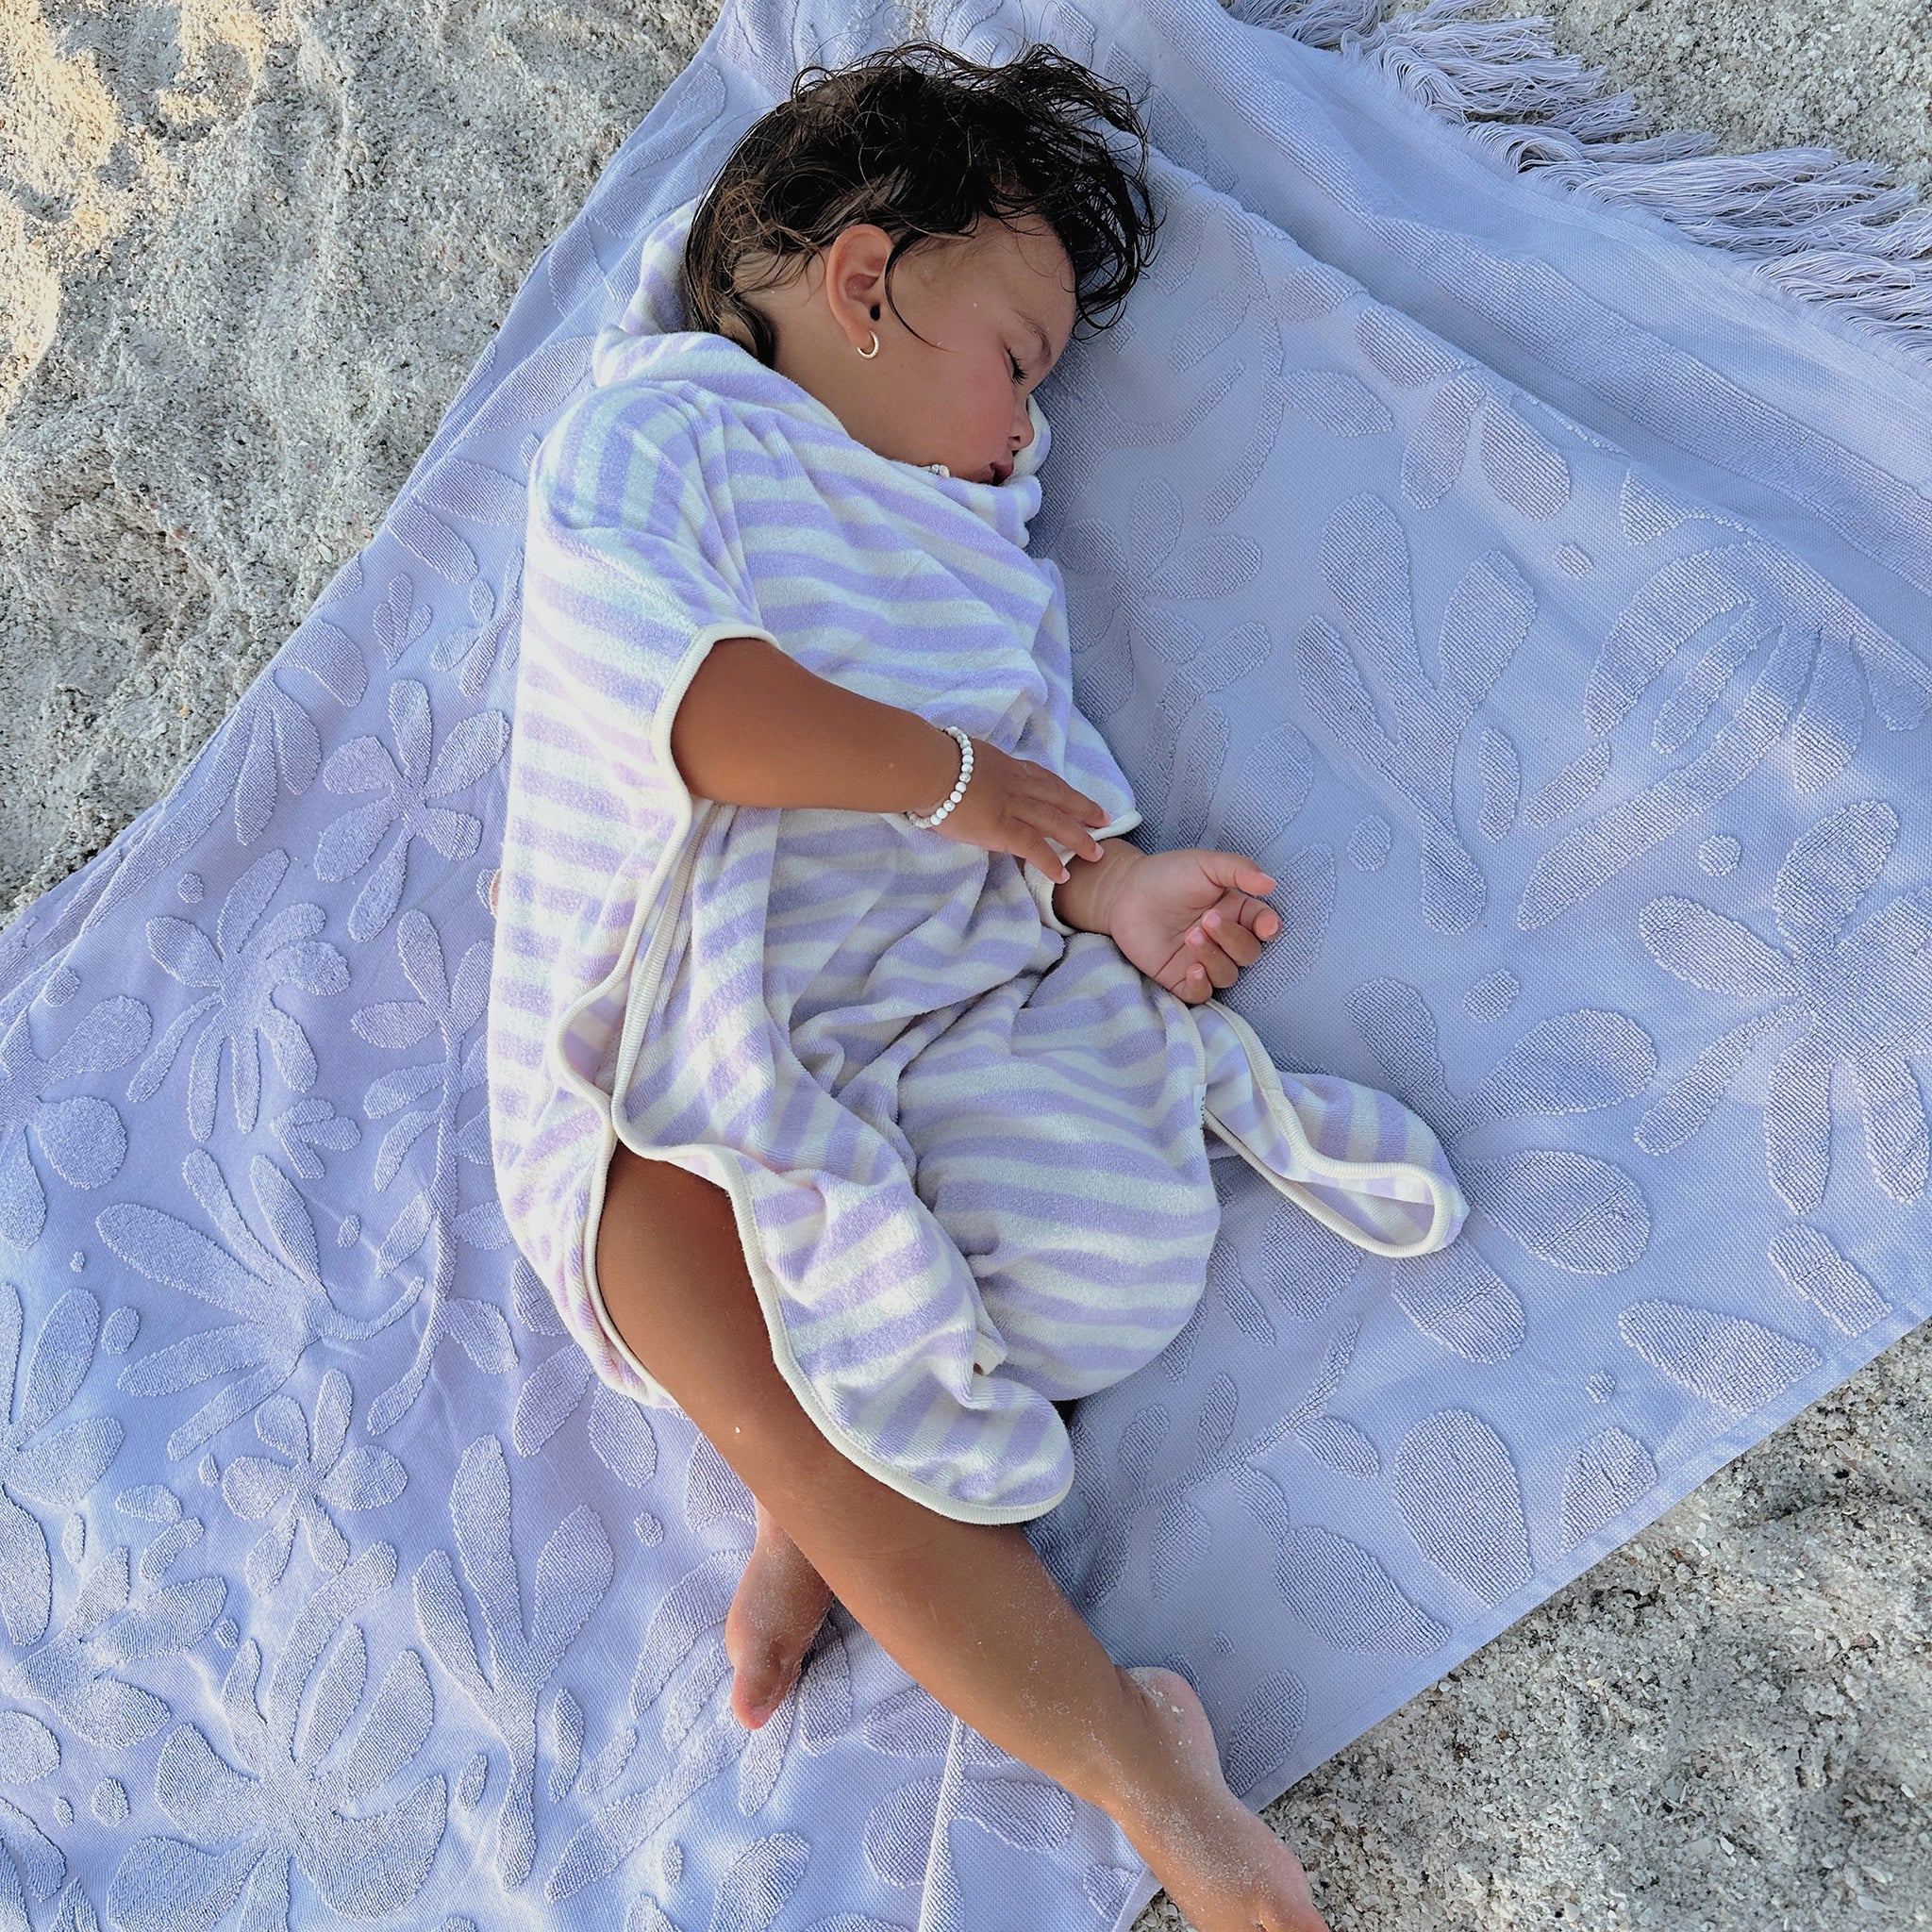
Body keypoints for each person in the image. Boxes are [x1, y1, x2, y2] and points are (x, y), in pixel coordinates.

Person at [489, 40, 1463, 1932]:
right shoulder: (670, 430)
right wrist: (946, 782)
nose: (1028, 433)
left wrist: (1112, 884)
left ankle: (840, 1481)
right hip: (653, 1043)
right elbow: (683, 697)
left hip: (913, 1030)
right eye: (1013, 362)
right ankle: (1140, 1769)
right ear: (863, 281)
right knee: (730, 1326)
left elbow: (1038, 778)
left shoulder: (975, 551)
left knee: (1087, 1253)